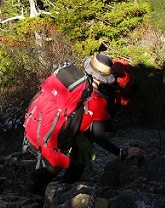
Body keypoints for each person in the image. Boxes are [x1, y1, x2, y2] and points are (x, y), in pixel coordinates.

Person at [30, 53, 145, 194]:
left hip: (50, 127)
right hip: (66, 137)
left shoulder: (78, 85)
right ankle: (59, 194)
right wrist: (122, 152)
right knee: (77, 161)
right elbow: (98, 136)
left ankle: (38, 187)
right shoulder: (97, 99)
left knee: (62, 162)